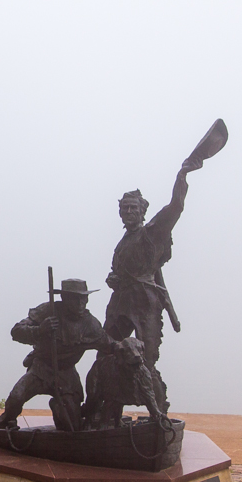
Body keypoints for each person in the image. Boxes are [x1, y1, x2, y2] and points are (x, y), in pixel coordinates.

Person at [104, 156, 201, 412]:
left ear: (142, 211)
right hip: (120, 303)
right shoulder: (122, 243)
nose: (128, 212)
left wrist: (182, 177)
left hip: (144, 303)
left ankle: (157, 413)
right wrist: (113, 279)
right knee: (108, 353)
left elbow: (175, 208)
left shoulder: (152, 233)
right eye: (124, 208)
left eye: (133, 208)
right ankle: (108, 409)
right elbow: (124, 273)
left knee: (146, 360)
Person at [0, 279, 110, 431]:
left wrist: (128, 348)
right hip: (41, 369)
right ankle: (7, 421)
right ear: (64, 298)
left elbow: (108, 343)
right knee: (16, 396)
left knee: (72, 425)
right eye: (76, 298)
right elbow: (16, 331)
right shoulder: (49, 310)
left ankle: (59, 406)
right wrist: (40, 330)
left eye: (84, 298)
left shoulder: (91, 324)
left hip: (66, 375)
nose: (81, 303)